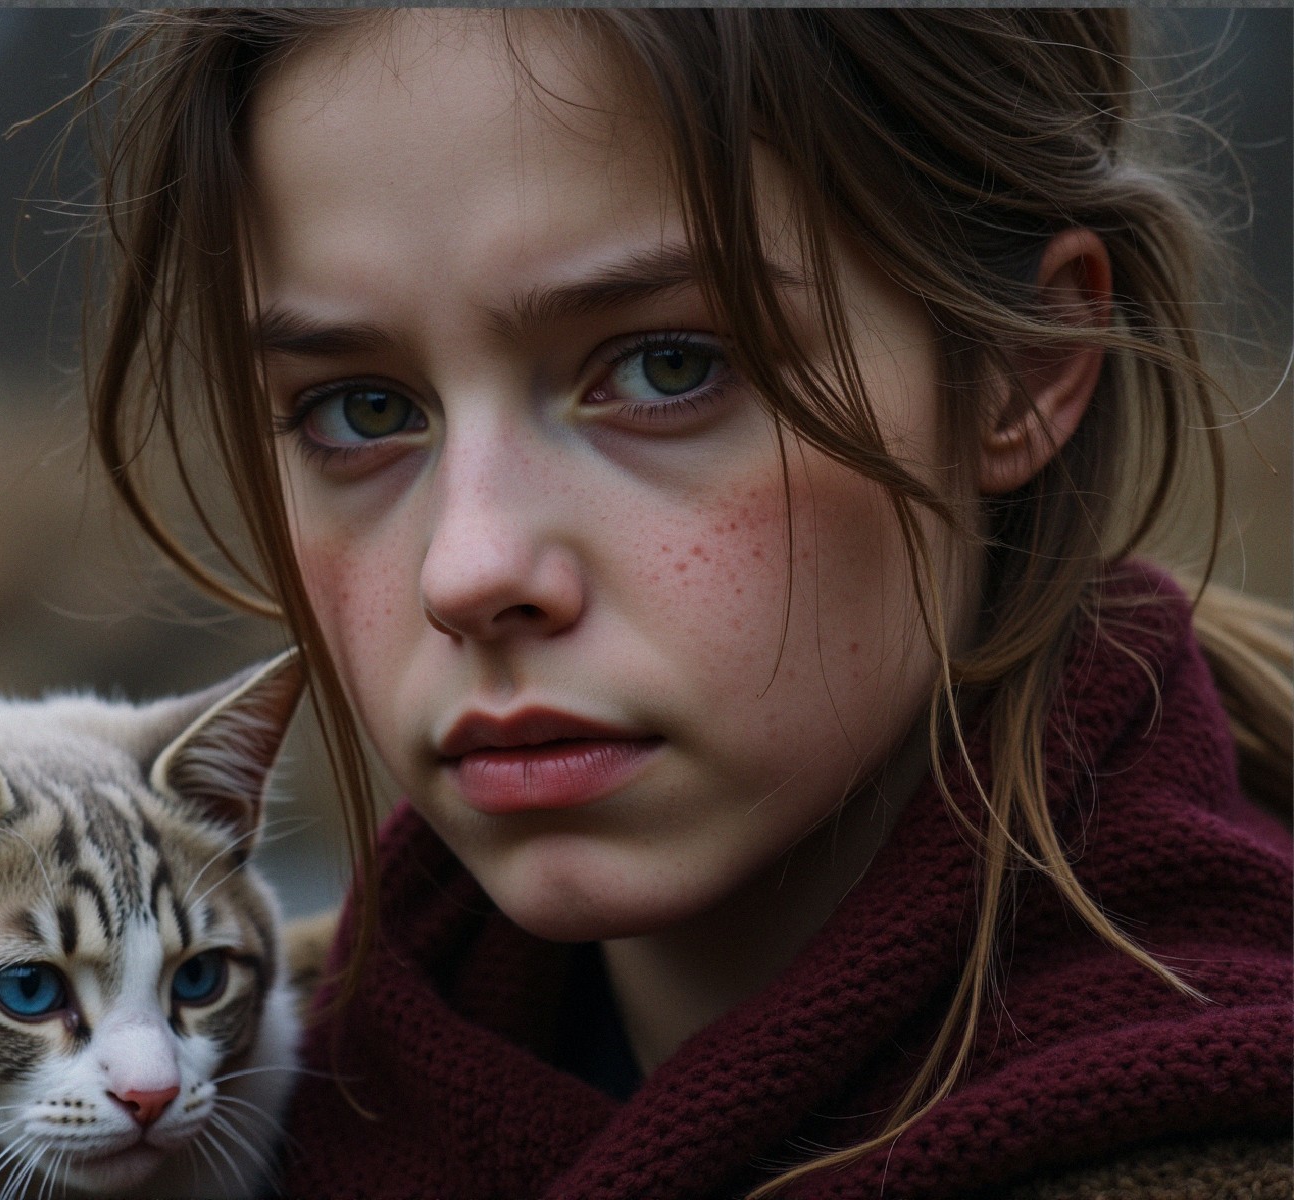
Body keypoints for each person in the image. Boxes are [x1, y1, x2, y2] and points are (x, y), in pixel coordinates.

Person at [75, 10, 1292, 1197]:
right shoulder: (160, 1121)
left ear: (1023, 372)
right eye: (360, 410)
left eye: (668, 366)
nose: (469, 570)